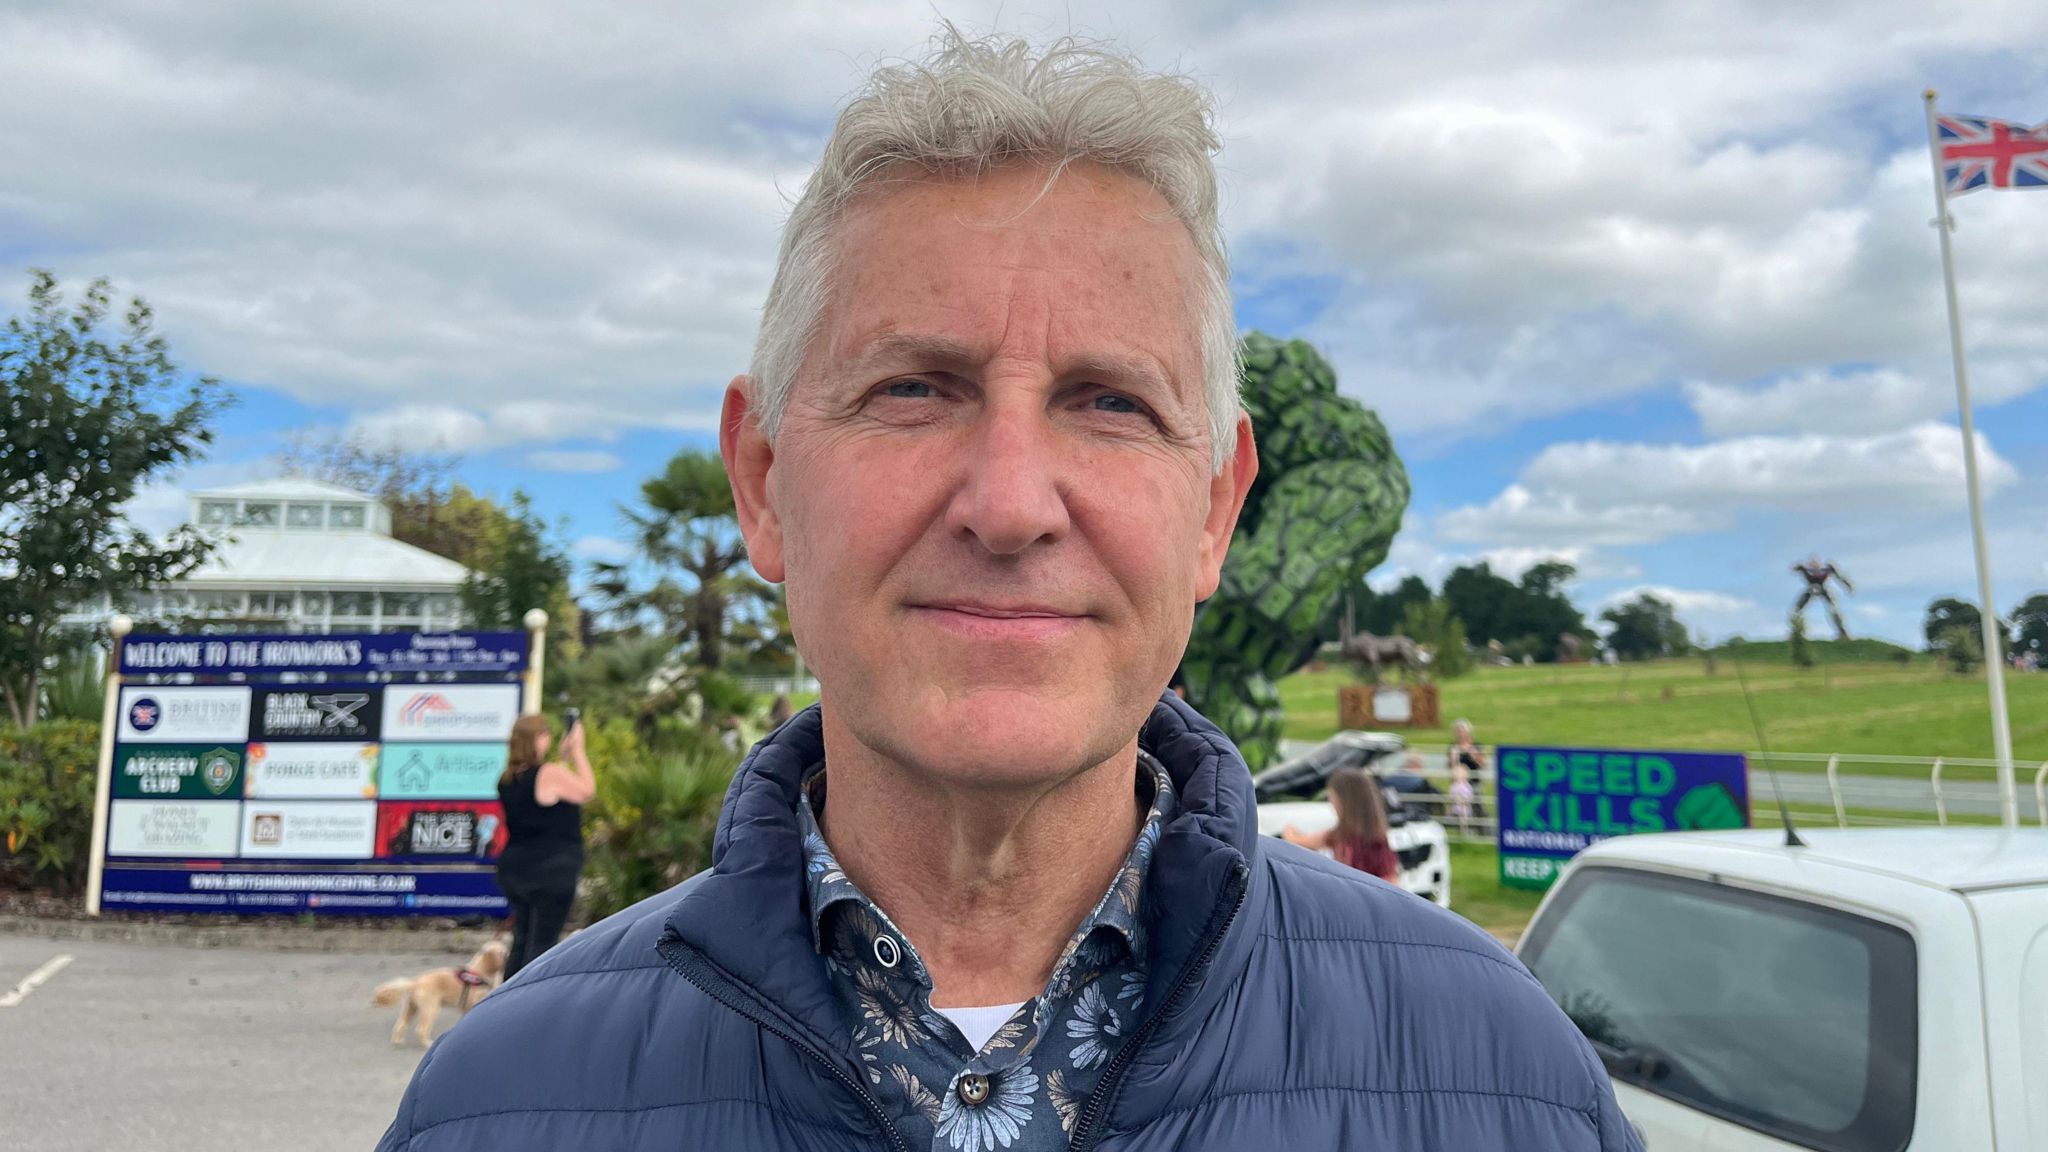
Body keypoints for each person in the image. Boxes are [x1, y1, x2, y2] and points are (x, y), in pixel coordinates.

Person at [382, 30, 1638, 1152]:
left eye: (1109, 403)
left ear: (1212, 510)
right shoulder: (496, 1103)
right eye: (913, 389)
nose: (1011, 504)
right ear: (762, 481)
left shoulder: (1509, 1085)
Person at [493, 712, 593, 979]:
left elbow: (548, 796)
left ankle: (508, 1004)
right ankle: (532, 1007)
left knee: (522, 940)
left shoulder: (507, 779)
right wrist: (579, 752)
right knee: (543, 945)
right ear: (537, 739)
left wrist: (564, 759)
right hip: (551, 869)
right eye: (545, 734)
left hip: (516, 868)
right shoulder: (549, 774)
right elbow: (586, 790)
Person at [1280, 767, 1399, 881]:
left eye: (1331, 797)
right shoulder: (1379, 838)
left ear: (1342, 800)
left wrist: (1288, 828)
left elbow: (1295, 840)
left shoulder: (1339, 837)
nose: (1331, 802)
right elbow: (1391, 878)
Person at [1447, 717, 1484, 833]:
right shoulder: (1453, 747)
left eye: (1462, 730)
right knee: (1459, 808)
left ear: (1468, 732)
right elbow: (1449, 766)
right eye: (1458, 731)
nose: (1461, 733)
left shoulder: (1476, 745)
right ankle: (1462, 831)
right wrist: (1453, 757)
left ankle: (1481, 829)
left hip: (1473, 781)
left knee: (1477, 805)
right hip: (1458, 782)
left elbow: (1483, 763)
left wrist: (1474, 755)